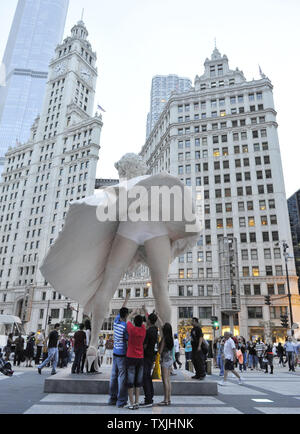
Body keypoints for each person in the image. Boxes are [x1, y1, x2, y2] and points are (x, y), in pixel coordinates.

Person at [40, 153, 201, 371]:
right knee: (161, 287)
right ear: (141, 167)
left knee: (107, 285)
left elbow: (107, 204)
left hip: (129, 228)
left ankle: (94, 344)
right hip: (157, 231)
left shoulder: (126, 188)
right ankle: (168, 350)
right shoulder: (153, 186)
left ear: (124, 171)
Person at [108, 293, 129, 408]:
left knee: (113, 376)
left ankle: (112, 398)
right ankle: (121, 401)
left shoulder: (116, 322)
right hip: (122, 355)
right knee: (122, 378)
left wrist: (126, 300)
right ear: (126, 316)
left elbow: (121, 310)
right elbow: (127, 340)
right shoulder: (125, 326)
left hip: (115, 353)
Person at [125, 309, 146, 410]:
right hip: (140, 357)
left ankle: (131, 403)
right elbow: (146, 319)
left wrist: (133, 312)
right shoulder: (143, 329)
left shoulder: (131, 329)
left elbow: (128, 318)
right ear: (142, 322)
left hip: (130, 356)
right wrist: (143, 311)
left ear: (134, 322)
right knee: (138, 381)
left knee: (130, 381)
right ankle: (137, 402)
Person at [140, 308, 158, 408]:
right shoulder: (155, 329)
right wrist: (145, 310)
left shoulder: (148, 331)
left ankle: (148, 399)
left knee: (145, 377)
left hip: (146, 356)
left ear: (149, 321)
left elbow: (144, 345)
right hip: (151, 356)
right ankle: (150, 397)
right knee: (148, 377)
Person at [156, 314, 174, 406]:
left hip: (164, 360)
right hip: (170, 359)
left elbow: (160, 350)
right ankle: (169, 399)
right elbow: (163, 325)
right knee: (168, 380)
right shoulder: (170, 338)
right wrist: (159, 317)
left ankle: (165, 400)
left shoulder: (164, 339)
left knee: (165, 380)